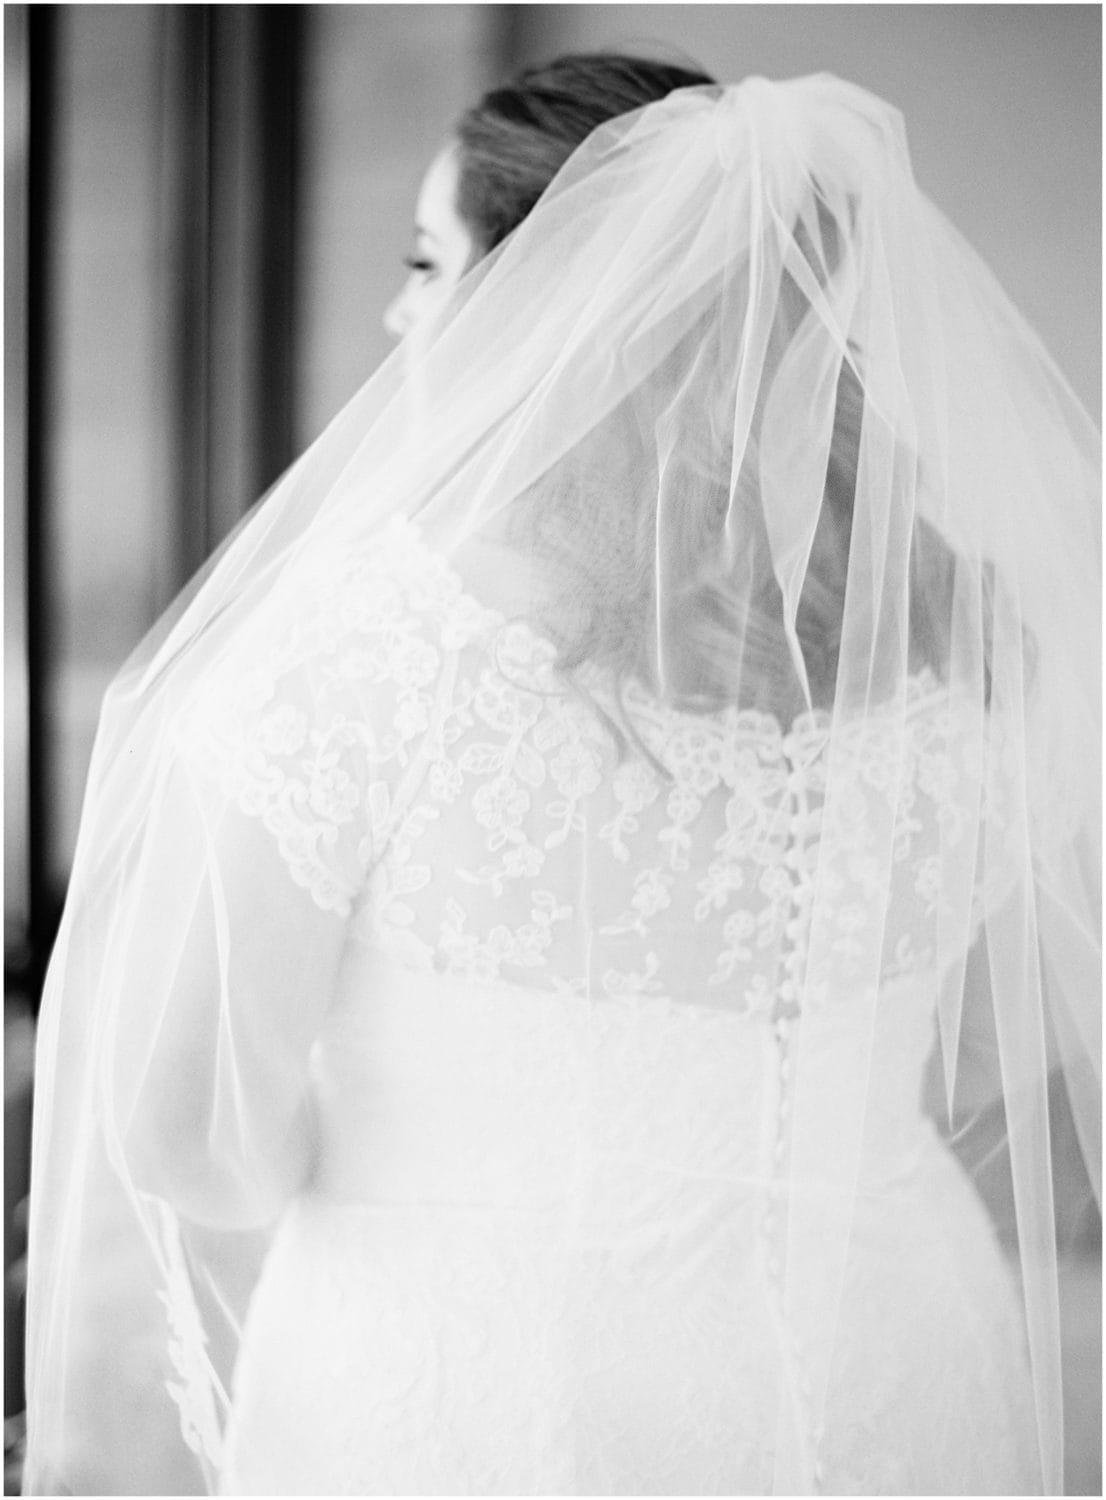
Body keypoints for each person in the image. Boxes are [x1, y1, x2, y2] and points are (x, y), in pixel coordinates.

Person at [23, 54, 1100, 1497]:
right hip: (892, 1366)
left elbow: (187, 1133)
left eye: (428, 261)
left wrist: (416, 1146)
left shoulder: (372, 648)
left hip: (486, 1386)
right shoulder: (955, 636)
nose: (400, 314)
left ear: (544, 296)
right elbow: (992, 1046)